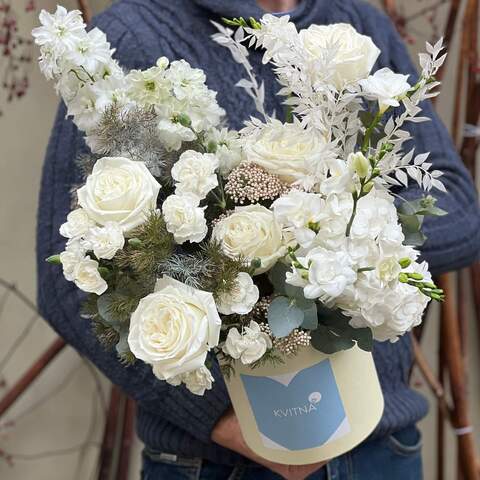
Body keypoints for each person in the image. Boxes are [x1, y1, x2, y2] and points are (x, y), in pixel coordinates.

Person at [36, 0, 480, 478]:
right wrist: (224, 423)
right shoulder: (132, 35)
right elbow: (67, 278)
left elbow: (458, 213)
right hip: (218, 461)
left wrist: (328, 219)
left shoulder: (357, 21)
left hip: (380, 450)